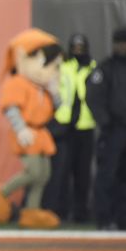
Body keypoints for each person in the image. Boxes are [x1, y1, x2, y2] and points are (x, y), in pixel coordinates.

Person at [0, 28, 62, 229]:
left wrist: (55, 93)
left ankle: (31, 211)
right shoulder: (18, 83)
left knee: (44, 174)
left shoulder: (42, 88)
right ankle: (1, 193)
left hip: (41, 132)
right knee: (34, 171)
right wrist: (20, 129)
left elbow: (57, 108)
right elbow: (11, 108)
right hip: (27, 131)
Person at [41, 33, 96, 224]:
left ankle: (81, 212)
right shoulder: (62, 68)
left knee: (83, 173)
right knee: (60, 172)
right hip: (64, 128)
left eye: (81, 48)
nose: (78, 51)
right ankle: (59, 210)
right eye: (75, 48)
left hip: (85, 126)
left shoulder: (95, 69)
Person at [86, 27, 126, 230]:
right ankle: (104, 218)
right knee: (107, 174)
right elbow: (94, 97)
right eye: (119, 43)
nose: (123, 46)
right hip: (114, 131)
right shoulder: (105, 69)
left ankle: (123, 218)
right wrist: (106, 122)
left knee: (125, 177)